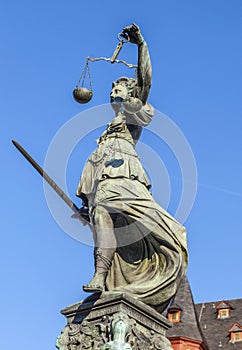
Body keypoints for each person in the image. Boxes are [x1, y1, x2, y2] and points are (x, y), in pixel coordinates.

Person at [74, 24, 188, 312]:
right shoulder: (105, 132)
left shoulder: (133, 115)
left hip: (127, 178)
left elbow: (145, 79)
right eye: (112, 88)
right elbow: (93, 169)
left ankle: (164, 245)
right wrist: (86, 202)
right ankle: (100, 277)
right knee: (101, 217)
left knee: (148, 224)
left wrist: (141, 46)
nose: (113, 92)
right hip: (104, 182)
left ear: (129, 93)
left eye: (118, 88)